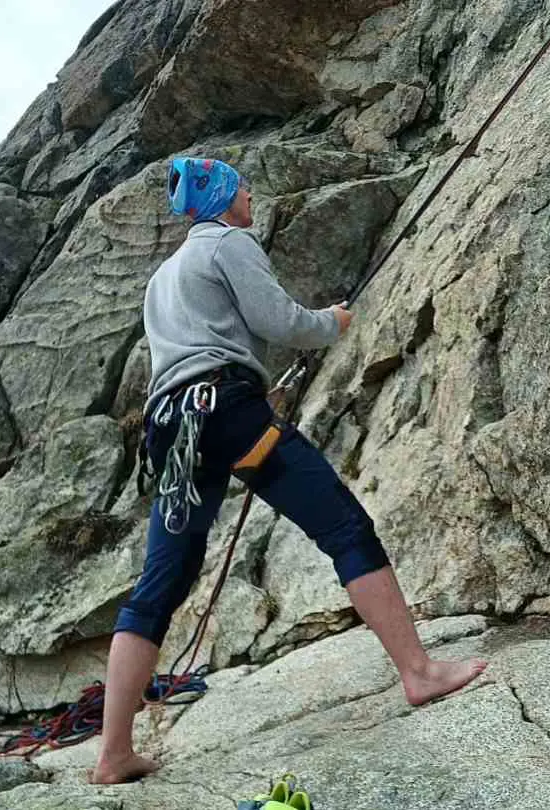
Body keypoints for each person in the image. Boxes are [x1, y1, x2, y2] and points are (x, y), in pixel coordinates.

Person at [91, 158, 487, 785]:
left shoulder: (162, 278)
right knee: (344, 527)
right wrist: (333, 323)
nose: (251, 195)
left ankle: (113, 753)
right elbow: (280, 322)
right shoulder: (228, 243)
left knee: (160, 584)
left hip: (172, 430)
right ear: (222, 196)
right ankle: (419, 672)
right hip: (225, 412)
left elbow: (193, 353)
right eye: (242, 187)